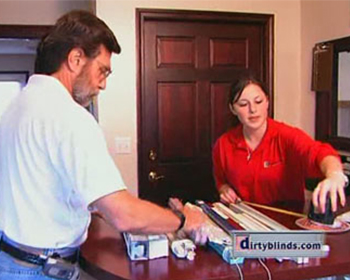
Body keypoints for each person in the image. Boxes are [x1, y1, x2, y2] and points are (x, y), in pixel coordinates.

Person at [0, 10, 206, 280]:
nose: (104, 84)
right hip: (40, 270)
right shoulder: (70, 117)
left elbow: (44, 183)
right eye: (102, 70)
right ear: (75, 59)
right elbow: (124, 215)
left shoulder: (17, 105)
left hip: (11, 260)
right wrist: (183, 219)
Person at [212, 75, 348, 213]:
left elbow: (320, 152)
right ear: (233, 109)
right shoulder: (223, 144)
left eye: (258, 101)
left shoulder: (286, 136)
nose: (253, 109)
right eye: (243, 104)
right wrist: (224, 190)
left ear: (267, 102)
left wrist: (334, 174)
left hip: (285, 223)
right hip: (242, 220)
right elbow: (221, 181)